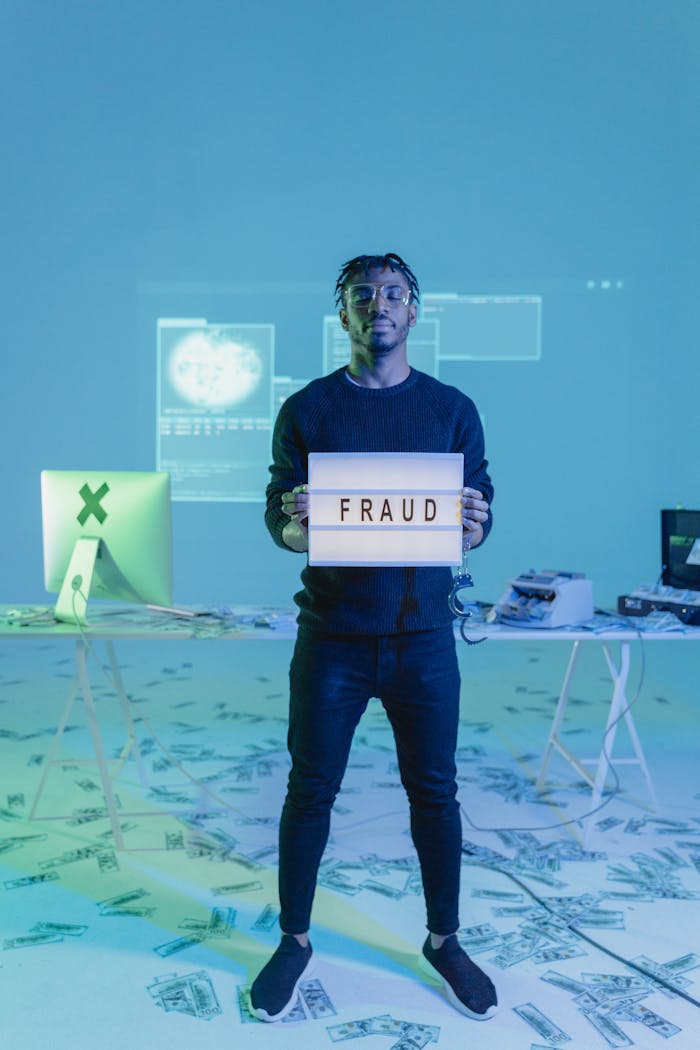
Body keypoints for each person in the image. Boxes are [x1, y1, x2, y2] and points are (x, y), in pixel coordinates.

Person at [250, 252, 497, 1023]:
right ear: (344, 314)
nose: (378, 305)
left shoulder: (452, 408)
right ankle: (294, 940)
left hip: (424, 638)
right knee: (309, 791)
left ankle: (443, 939)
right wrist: (294, 526)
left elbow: (477, 513)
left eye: (393, 294)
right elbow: (278, 520)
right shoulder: (306, 409)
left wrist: (477, 524)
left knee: (436, 793)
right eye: (363, 295)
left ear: (414, 312)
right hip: (333, 639)